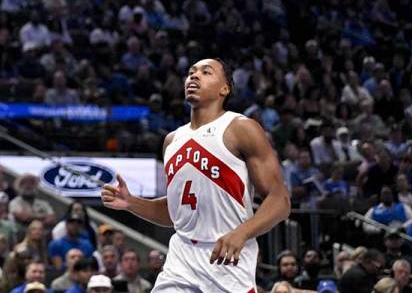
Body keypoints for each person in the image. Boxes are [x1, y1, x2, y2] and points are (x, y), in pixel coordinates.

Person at [101, 58, 291, 293]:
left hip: (226, 252)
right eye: (191, 72)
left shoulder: (240, 128)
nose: (194, 76)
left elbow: (280, 200)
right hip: (181, 255)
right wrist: (132, 203)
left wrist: (242, 233)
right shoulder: (172, 140)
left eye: (206, 72)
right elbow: (176, 212)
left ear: (225, 88)